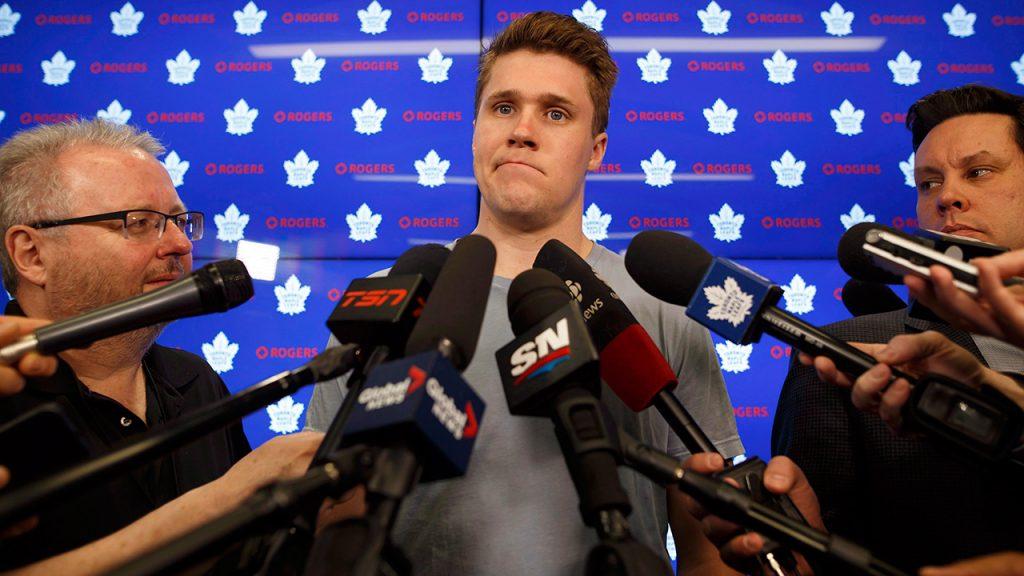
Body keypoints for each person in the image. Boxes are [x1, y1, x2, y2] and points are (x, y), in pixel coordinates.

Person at [306, 11, 744, 575]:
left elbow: (708, 552)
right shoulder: (387, 302)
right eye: (503, 107)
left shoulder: (661, 309)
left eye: (556, 113)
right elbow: (332, 525)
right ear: (475, 130)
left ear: (596, 149)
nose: (522, 130)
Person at [0, 119, 323, 574]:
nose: (178, 244)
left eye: (179, 221)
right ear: (32, 254)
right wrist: (234, 497)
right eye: (139, 223)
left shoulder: (195, 380)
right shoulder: (6, 400)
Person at [771, 84, 1024, 571]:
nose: (947, 197)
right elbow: (814, 549)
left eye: (978, 172)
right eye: (928, 183)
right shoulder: (851, 355)